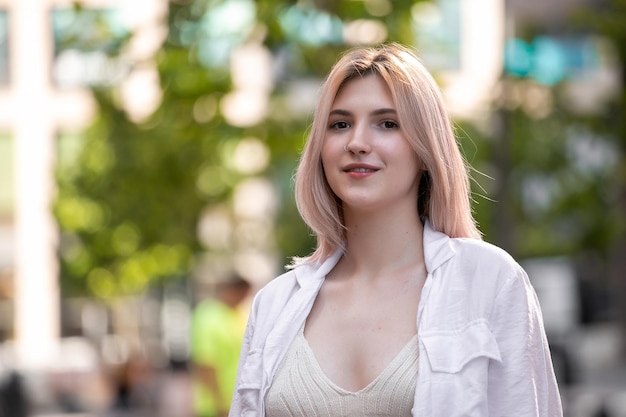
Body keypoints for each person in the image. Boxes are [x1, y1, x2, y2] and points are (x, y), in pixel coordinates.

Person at [229, 43, 563, 416]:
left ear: (425, 148)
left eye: (387, 123)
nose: (357, 143)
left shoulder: (490, 282)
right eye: (340, 124)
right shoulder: (275, 304)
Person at [191, 274, 251, 417]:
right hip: (214, 407)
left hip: (240, 404)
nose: (243, 300)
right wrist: (220, 404)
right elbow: (205, 364)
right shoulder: (207, 315)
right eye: (242, 295)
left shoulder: (241, 314)